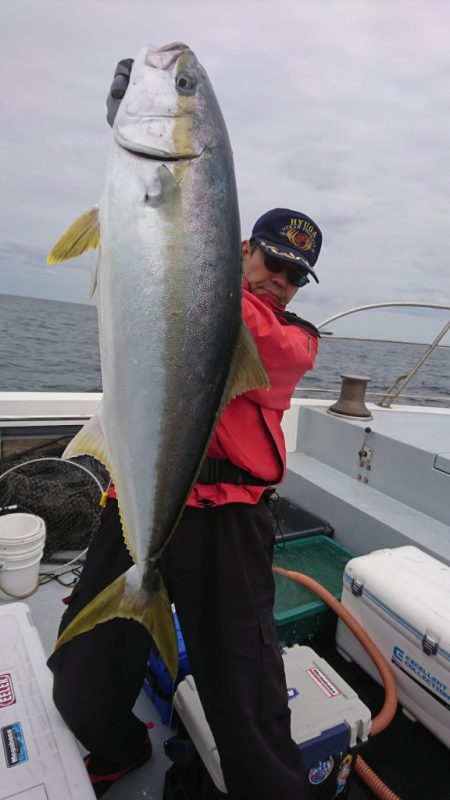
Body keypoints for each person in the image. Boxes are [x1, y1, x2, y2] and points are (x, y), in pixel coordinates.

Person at [48, 61, 323, 800]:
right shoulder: (193, 267)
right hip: (137, 502)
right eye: (272, 263)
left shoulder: (290, 342)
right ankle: (116, 748)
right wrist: (138, 169)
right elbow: (163, 266)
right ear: (240, 248)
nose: (281, 283)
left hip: (231, 526)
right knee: (77, 682)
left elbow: (200, 300)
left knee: (248, 700)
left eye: (296, 278)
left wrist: (171, 212)